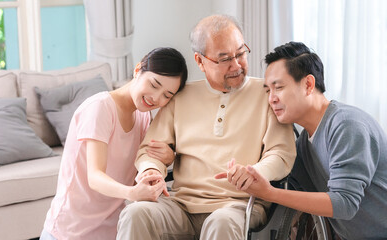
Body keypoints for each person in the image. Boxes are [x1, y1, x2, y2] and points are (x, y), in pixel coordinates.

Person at [116, 15, 296, 240]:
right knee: (136, 213)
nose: (237, 65)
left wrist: (255, 172)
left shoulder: (266, 93)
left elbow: (281, 153)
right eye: (224, 59)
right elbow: (149, 151)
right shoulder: (180, 97)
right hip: (181, 205)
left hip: (237, 206)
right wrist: (151, 170)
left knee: (220, 223)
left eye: (240, 53)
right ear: (200, 61)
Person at [228, 41, 387, 239]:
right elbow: (290, 188)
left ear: (308, 85)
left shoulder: (347, 126)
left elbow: (344, 204)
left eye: (278, 88)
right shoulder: (303, 144)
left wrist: (269, 193)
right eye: (268, 91)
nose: (271, 99)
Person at [40, 47, 189, 240]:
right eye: (154, 84)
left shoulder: (144, 116)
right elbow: (95, 177)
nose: (156, 98)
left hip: (110, 232)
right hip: (69, 232)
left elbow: (139, 165)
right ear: (138, 70)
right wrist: (133, 193)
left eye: (167, 95)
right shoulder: (100, 108)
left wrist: (169, 157)